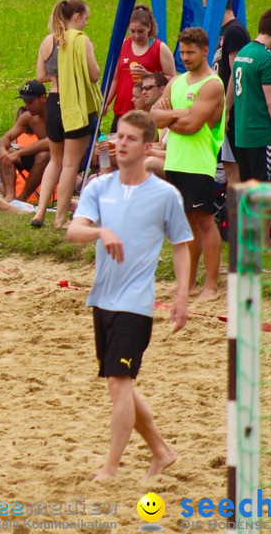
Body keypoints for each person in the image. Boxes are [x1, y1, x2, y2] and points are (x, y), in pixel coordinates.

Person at [66, 110, 192, 482]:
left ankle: (110, 467)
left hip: (136, 304)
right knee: (117, 382)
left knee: (118, 384)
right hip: (102, 298)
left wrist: (181, 296)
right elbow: (74, 230)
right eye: (118, 136)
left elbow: (182, 246)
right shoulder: (98, 188)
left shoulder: (165, 195)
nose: (120, 143)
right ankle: (161, 451)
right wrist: (100, 233)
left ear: (148, 146)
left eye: (130, 138)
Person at [150, 28, 226, 304]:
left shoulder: (212, 84)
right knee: (186, 224)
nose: (185, 57)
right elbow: (154, 117)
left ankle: (211, 286)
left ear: (205, 51)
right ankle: (190, 283)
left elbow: (194, 126)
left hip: (199, 163)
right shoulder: (176, 82)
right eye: (182, 52)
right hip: (176, 160)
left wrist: (171, 117)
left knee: (205, 221)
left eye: (191, 52)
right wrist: (177, 114)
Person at [32, 0, 102, 229]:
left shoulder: (48, 40)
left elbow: (40, 75)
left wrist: (58, 74)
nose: (87, 23)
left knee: (55, 160)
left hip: (53, 101)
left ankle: (40, 212)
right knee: (71, 165)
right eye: (86, 18)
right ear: (76, 16)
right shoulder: (81, 41)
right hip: (73, 105)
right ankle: (60, 218)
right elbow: (94, 75)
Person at [231, 8, 271, 182]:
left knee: (249, 191)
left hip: (242, 135)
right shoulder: (267, 59)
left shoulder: (243, 53)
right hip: (262, 137)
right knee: (265, 193)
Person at [104, 5, 176, 131]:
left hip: (147, 111)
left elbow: (172, 80)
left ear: (149, 27)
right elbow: (115, 78)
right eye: (132, 31)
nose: (136, 36)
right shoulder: (123, 45)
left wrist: (148, 75)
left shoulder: (159, 48)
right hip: (122, 109)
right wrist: (106, 102)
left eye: (141, 31)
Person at [216, 0, 253, 187]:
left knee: (235, 167)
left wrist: (227, 109)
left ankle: (239, 215)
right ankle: (232, 215)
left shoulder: (234, 31)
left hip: (232, 110)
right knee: (228, 166)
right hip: (222, 109)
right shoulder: (221, 30)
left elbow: (236, 73)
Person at [0, 80, 50, 203]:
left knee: (43, 155)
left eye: (30, 102)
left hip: (58, 161)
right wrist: (2, 150)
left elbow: (51, 141)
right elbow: (5, 138)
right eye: (25, 102)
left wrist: (19, 153)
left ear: (43, 98)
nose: (27, 106)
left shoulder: (55, 114)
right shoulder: (28, 116)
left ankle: (23, 197)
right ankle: (10, 196)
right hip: (36, 160)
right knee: (8, 151)